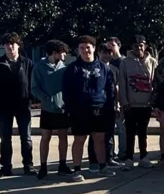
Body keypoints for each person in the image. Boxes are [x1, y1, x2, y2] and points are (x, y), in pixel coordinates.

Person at [61, 35, 117, 179]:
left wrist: (111, 107)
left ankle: (102, 167)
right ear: (78, 50)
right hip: (79, 110)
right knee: (79, 140)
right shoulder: (72, 69)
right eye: (82, 48)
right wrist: (70, 109)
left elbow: (110, 90)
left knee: (99, 139)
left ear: (93, 48)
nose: (85, 50)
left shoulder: (104, 68)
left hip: (100, 109)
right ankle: (77, 170)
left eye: (88, 47)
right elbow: (67, 92)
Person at [0, 32, 35, 178]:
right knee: (5, 138)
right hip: (4, 107)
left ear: (18, 46)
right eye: (7, 45)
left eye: (12, 44)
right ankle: (6, 167)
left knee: (26, 138)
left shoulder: (27, 63)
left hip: (23, 105)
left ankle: (28, 166)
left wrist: (32, 99)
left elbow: (32, 83)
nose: (9, 47)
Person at [31, 40, 72, 179]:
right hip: (48, 109)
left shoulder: (64, 68)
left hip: (62, 109)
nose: (65, 54)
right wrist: (46, 99)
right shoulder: (39, 67)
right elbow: (34, 88)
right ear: (54, 53)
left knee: (63, 137)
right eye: (62, 52)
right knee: (45, 137)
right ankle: (43, 166)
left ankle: (62, 164)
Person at [118, 36, 156, 169]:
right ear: (132, 47)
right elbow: (122, 84)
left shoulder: (152, 62)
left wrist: (154, 102)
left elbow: (155, 83)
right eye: (136, 46)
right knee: (130, 132)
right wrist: (124, 102)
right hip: (130, 104)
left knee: (143, 132)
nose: (139, 48)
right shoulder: (125, 62)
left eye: (141, 45)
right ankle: (129, 158)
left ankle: (143, 157)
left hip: (146, 104)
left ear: (145, 46)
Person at [90, 44, 122, 171]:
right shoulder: (94, 68)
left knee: (109, 134)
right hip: (97, 106)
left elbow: (116, 89)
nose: (107, 55)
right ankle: (94, 161)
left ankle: (109, 158)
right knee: (95, 136)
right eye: (104, 52)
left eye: (110, 53)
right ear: (99, 53)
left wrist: (117, 105)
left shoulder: (114, 69)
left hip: (110, 106)